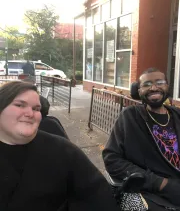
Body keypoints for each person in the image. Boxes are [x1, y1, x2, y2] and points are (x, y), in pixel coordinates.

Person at [103, 67, 180, 211]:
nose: (153, 88)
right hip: (151, 194)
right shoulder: (130, 117)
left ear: (167, 87)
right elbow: (111, 159)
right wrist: (161, 184)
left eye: (159, 82)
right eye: (146, 84)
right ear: (138, 91)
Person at [0, 81, 120, 211]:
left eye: (36, 109)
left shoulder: (64, 151)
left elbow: (98, 197)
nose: (30, 114)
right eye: (19, 105)